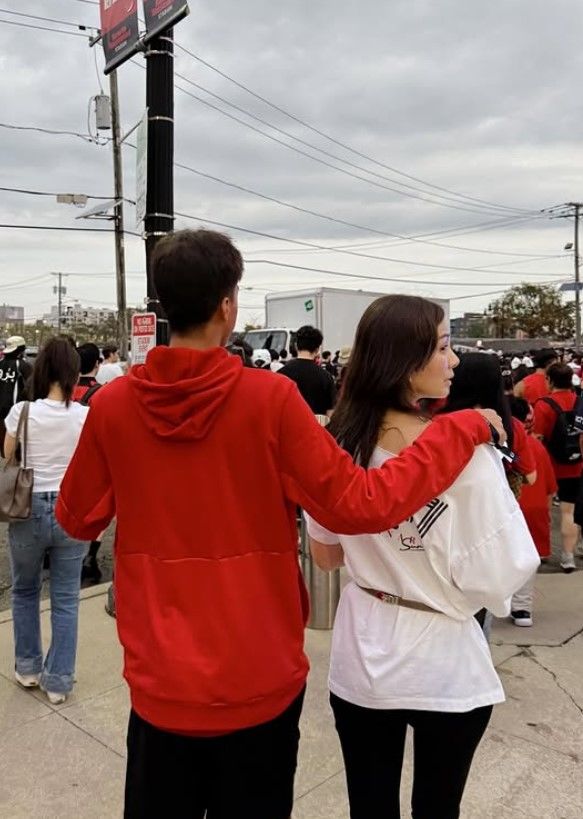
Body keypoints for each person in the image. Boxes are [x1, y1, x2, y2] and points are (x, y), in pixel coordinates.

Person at [56, 229, 503, 819]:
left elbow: (78, 519)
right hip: (259, 676)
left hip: (160, 678)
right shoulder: (269, 400)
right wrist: (458, 428)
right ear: (227, 304)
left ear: (161, 306)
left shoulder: (112, 407)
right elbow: (359, 504)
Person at [306, 295, 539, 819]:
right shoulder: (469, 457)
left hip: (364, 655)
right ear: (403, 361)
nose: (453, 361)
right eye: (443, 347)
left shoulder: (334, 447)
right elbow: (501, 577)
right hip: (445, 659)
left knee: (369, 805)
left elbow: (324, 557)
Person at [5, 337, 89, 704]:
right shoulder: (85, 415)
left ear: (41, 371)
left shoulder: (22, 412)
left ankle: (28, 668)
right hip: (71, 508)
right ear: (73, 372)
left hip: (27, 507)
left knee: (24, 590)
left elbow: (9, 456)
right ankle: (58, 682)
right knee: (66, 598)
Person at [509, 397, 556, 626]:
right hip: (534, 507)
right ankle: (522, 609)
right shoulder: (535, 446)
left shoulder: (494, 444)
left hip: (507, 509)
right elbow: (549, 486)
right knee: (528, 558)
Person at [533, 362, 582, 573]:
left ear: (550, 380)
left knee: (555, 511)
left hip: (552, 467)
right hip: (578, 464)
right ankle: (569, 555)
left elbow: (537, 438)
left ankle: (550, 554)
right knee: (572, 510)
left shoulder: (543, 405)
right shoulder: (579, 401)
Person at [279, 325, 336, 415]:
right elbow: (330, 413)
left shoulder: (280, 374)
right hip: (316, 427)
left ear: (296, 346)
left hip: (288, 427)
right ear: (317, 350)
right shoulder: (326, 377)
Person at [0, 335, 32, 457]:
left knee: (4, 448)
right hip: (16, 412)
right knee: (16, 451)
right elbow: (32, 387)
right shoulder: (23, 365)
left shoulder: (0, 364)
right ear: (21, 350)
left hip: (1, 413)